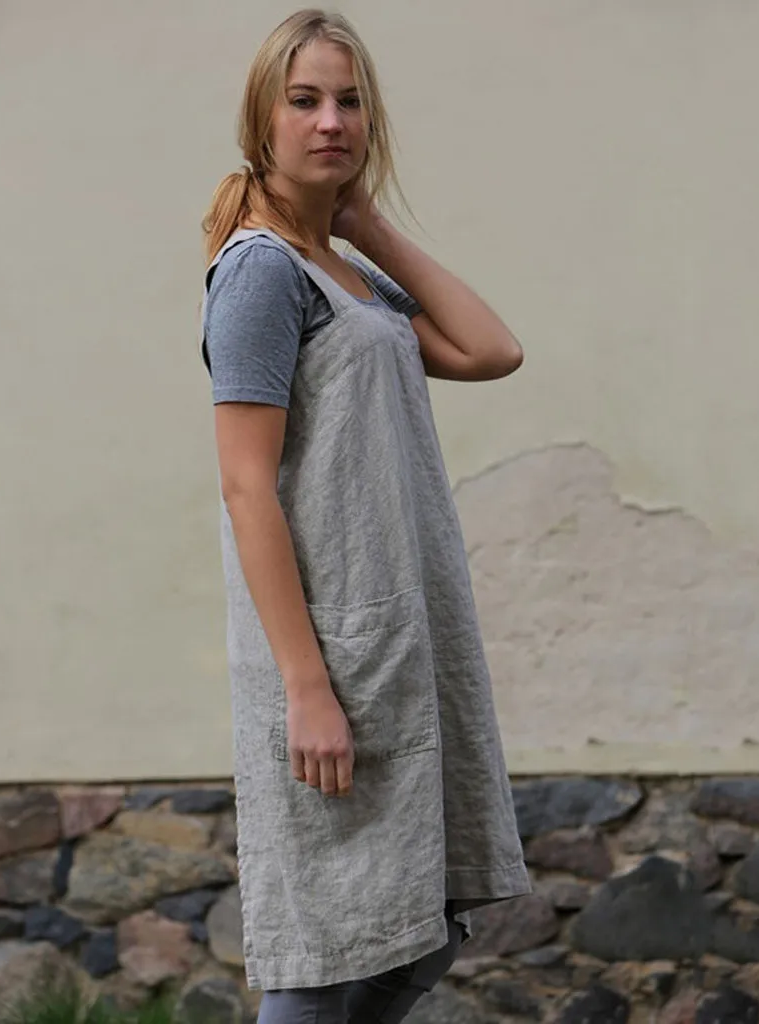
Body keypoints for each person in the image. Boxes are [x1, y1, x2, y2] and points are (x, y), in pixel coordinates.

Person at [199, 9, 530, 1022]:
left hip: (398, 644)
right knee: (327, 946)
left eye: (349, 102)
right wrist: (306, 689)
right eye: (303, 101)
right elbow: (246, 487)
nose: (330, 121)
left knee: (416, 929)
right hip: (327, 658)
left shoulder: (343, 271)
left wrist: (367, 224)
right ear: (262, 120)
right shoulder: (261, 272)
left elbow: (490, 350)